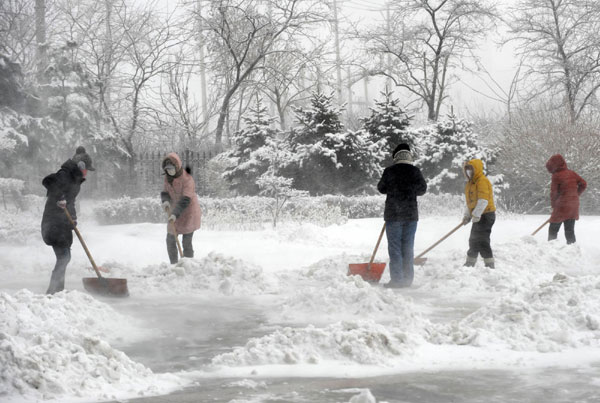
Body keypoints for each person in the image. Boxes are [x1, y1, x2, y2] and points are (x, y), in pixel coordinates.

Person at [41, 146, 95, 294]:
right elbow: (47, 181)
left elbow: (70, 201)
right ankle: (54, 290)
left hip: (62, 223)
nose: (86, 173)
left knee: (64, 257)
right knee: (64, 256)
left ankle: (57, 289)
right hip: (53, 223)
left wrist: (73, 217)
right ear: (80, 166)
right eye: (86, 169)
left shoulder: (74, 179)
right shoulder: (64, 174)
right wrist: (60, 198)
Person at [377, 143, 427, 288]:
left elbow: (381, 188)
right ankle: (407, 279)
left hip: (394, 215)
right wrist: (410, 189)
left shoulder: (389, 171)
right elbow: (422, 189)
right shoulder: (415, 171)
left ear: (395, 157)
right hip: (411, 215)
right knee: (408, 247)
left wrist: (394, 188)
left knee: (395, 248)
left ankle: (397, 280)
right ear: (409, 156)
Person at [160, 152, 202, 264]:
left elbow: (185, 199)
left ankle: (188, 265)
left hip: (189, 213)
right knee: (170, 239)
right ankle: (173, 265)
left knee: (186, 242)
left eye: (171, 169)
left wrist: (175, 214)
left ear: (177, 166)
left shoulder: (187, 178)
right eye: (167, 169)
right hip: (175, 211)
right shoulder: (167, 178)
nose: (169, 171)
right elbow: (165, 192)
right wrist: (165, 201)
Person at [545, 154, 587, 244]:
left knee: (553, 229)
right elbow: (583, 184)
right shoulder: (572, 173)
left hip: (562, 206)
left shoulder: (556, 176)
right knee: (569, 230)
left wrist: (554, 206)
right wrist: (575, 195)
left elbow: (554, 193)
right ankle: (572, 250)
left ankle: (550, 248)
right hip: (573, 205)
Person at [462, 159, 496, 269]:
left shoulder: (482, 181)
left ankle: (489, 265)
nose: (469, 172)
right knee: (473, 239)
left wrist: (476, 215)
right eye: (467, 170)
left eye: (471, 169)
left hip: (486, 215)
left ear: (476, 169)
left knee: (482, 240)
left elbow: (483, 200)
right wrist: (467, 215)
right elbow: (470, 202)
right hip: (479, 215)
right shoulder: (470, 183)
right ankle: (470, 263)